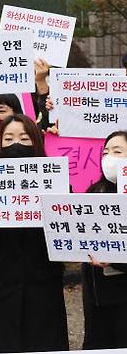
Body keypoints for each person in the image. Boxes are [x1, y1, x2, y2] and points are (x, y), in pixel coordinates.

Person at [0, 115, 68, 353]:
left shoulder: (57, 183)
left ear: (36, 142)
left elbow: (68, 237)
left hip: (42, 289)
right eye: (8, 138)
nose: (16, 144)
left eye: (24, 138)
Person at [83, 130, 127, 349]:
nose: (109, 157)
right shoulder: (93, 192)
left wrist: (117, 260)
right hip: (96, 300)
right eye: (105, 152)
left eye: (117, 151)